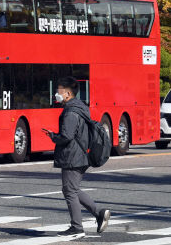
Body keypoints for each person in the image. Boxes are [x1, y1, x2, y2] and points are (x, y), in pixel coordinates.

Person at [41, 76, 110, 239]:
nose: (56, 94)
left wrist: (53, 137)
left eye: (58, 91)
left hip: (73, 156)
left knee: (69, 191)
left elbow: (67, 136)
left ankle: (77, 227)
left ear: (67, 93)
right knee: (72, 189)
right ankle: (98, 213)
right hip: (79, 155)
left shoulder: (71, 112)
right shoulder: (80, 108)